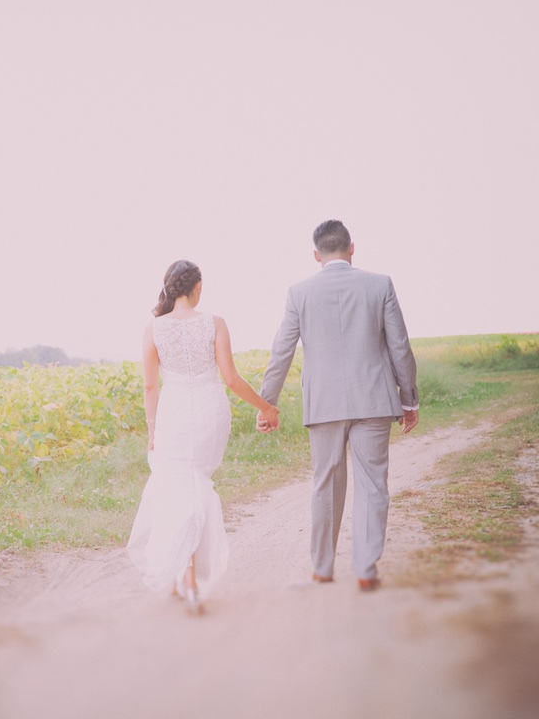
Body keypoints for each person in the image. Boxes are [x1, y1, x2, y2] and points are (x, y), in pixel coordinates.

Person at [257, 219, 418, 591]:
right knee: (373, 484)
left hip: (324, 403)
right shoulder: (380, 284)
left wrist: (267, 404)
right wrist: (408, 398)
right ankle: (364, 569)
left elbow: (281, 350)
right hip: (374, 399)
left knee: (325, 483)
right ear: (351, 248)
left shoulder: (299, 292)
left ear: (316, 255)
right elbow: (400, 346)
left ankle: (323, 568)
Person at [127, 260, 279, 615]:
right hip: (211, 411)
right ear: (196, 287)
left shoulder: (153, 328)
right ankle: (189, 577)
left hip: (174, 414)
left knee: (180, 485)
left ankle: (187, 575)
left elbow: (151, 386)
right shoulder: (215, 323)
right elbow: (231, 379)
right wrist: (266, 407)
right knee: (195, 483)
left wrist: (152, 431)